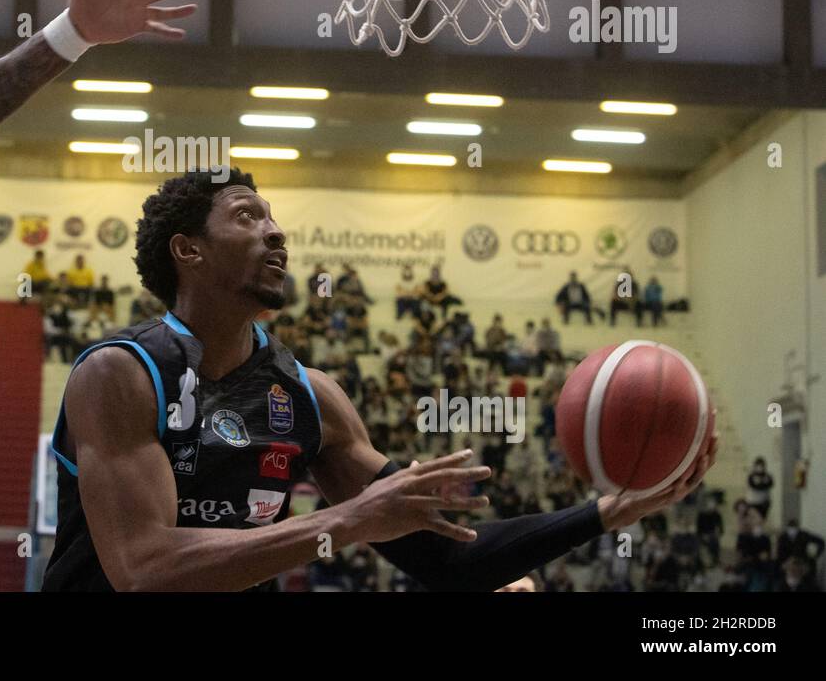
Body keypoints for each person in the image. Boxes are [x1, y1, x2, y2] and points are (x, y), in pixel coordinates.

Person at [41, 169, 717, 591]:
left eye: (274, 217)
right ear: (187, 250)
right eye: (248, 217)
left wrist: (604, 512)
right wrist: (348, 520)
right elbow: (145, 567)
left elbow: (449, 561)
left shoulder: (311, 397)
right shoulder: (120, 375)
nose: (276, 234)